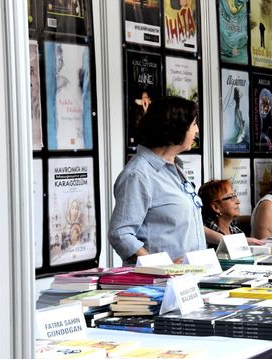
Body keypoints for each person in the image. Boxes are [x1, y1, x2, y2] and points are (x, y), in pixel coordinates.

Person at [108, 96, 206, 263]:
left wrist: (227, 241)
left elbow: (185, 223)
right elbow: (120, 234)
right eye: (194, 124)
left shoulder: (176, 167)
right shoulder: (138, 174)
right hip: (161, 283)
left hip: (192, 277)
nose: (197, 130)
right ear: (177, 127)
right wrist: (161, 267)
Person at [198, 179, 263, 248]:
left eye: (235, 196)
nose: (238, 201)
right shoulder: (202, 235)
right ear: (216, 207)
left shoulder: (234, 229)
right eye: (231, 197)